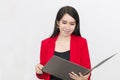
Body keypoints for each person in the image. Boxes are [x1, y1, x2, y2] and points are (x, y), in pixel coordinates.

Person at [35, 6, 91, 80]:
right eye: (64, 22)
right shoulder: (46, 43)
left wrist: (84, 78)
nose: (67, 27)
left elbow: (87, 72)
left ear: (76, 25)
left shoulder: (81, 42)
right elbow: (44, 73)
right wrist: (39, 71)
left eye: (72, 24)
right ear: (58, 22)